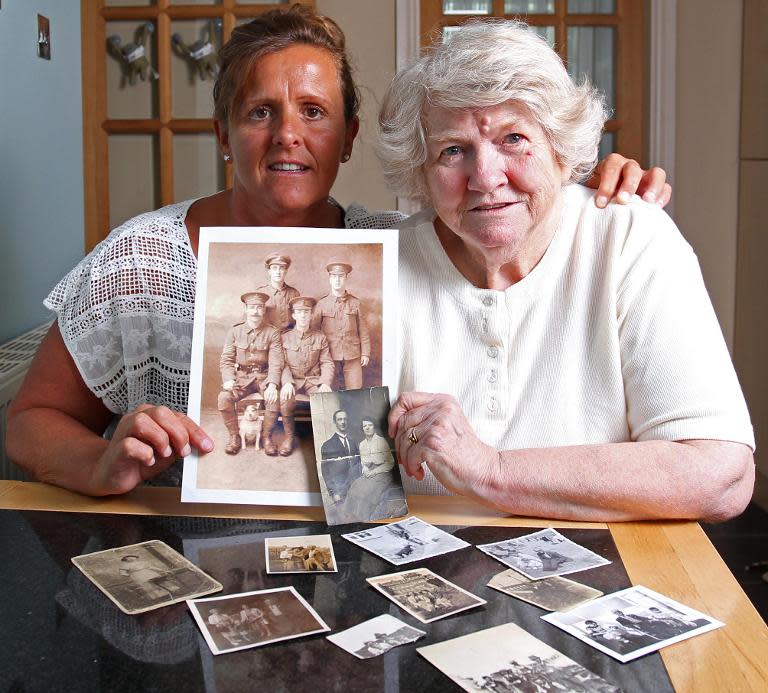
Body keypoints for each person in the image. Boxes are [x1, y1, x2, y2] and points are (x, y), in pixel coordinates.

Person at [6, 4, 671, 497]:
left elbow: (505, 216)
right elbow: (32, 418)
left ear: (349, 136)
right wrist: (100, 463)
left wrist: (594, 186)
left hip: (362, 553)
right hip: (188, 550)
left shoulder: (401, 246)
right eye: (260, 111)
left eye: (314, 112)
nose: (288, 135)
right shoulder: (142, 259)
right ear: (224, 133)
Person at [383, 19, 754, 522]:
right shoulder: (385, 262)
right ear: (421, 173)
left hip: (614, 575)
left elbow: (720, 475)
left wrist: (488, 470)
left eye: (514, 139)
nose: (486, 177)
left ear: (562, 152)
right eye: (453, 150)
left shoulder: (628, 239)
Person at [218, 291, 283, 455]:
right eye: (252, 307)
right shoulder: (235, 332)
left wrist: (273, 384)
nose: (255, 311)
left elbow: (276, 362)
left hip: (264, 377)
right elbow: (226, 359)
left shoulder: (272, 332)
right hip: (242, 379)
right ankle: (235, 437)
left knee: (274, 399)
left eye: (259, 307)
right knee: (224, 398)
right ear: (246, 309)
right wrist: (228, 379)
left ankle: (267, 438)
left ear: (263, 310)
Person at [278, 296, 334, 456]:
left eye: (306, 312)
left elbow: (327, 362)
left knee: (325, 400)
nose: (303, 315)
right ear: (294, 315)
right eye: (299, 312)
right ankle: (289, 438)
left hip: (313, 381)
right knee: (285, 400)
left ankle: (324, 442)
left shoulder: (320, 337)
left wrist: (324, 383)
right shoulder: (284, 337)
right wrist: (287, 382)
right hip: (293, 380)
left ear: (311, 315)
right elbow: (282, 364)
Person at [312, 261, 370, 390]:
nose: (337, 280)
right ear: (330, 279)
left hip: (353, 355)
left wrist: (365, 353)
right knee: (329, 394)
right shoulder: (322, 304)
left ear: (346, 278)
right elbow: (314, 331)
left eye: (340, 276)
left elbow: (363, 330)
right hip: (329, 356)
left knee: (354, 393)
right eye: (334, 276)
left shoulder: (355, 303)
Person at [342, 416, 406, 520]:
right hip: (370, 472)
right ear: (362, 429)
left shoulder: (381, 441)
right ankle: (350, 516)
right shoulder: (362, 444)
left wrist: (374, 471)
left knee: (367, 491)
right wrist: (365, 469)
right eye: (364, 426)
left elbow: (390, 462)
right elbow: (363, 462)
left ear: (374, 427)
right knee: (355, 485)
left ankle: (363, 517)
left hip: (384, 472)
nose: (367, 428)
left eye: (370, 425)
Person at [319, 409, 360, 503]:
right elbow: (326, 472)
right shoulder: (327, 445)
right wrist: (333, 493)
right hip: (340, 490)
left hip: (357, 488)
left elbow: (358, 463)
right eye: (339, 419)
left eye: (345, 419)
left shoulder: (354, 442)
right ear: (335, 422)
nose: (343, 422)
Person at [256, 251, 300, 332]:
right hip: (269, 338)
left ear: (286, 271)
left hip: (289, 339)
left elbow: (298, 320)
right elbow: (255, 319)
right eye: (274, 268)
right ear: (269, 272)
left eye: (281, 268)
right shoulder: (261, 293)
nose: (278, 272)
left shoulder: (294, 293)